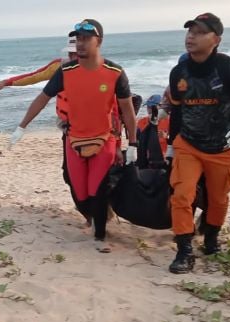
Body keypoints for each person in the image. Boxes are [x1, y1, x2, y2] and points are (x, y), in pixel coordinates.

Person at [10, 19, 139, 248]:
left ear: (99, 41)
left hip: (104, 139)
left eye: (86, 38)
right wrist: (22, 127)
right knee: (80, 192)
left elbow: (127, 111)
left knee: (96, 190)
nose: (80, 43)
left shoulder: (115, 73)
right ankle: (99, 217)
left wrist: (133, 144)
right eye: (77, 38)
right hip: (74, 139)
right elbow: (42, 98)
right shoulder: (66, 71)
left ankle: (100, 236)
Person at [166, 13, 230, 273]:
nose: (191, 36)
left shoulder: (228, 67)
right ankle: (184, 251)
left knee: (218, 199)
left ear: (215, 39)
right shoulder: (179, 73)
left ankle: (211, 239)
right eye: (189, 31)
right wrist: (171, 146)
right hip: (188, 144)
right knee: (182, 194)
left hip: (222, 147)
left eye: (199, 32)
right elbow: (176, 111)